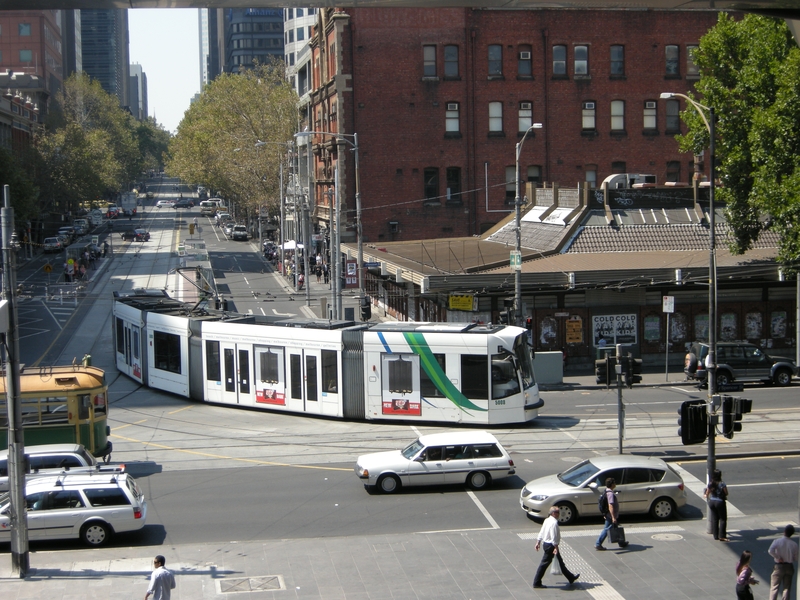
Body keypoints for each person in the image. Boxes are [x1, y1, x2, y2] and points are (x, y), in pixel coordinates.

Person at [532, 506, 580, 589]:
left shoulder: (547, 520)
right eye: (558, 512)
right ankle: (536, 582)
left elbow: (541, 531)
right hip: (551, 546)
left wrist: (538, 542)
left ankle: (570, 577)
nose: (559, 514)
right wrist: (556, 547)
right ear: (553, 513)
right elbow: (553, 536)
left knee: (560, 562)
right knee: (544, 564)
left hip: (546, 544)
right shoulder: (554, 523)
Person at [595, 477, 627, 550]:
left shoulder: (606, 491)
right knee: (607, 529)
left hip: (608, 514)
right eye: (614, 483)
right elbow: (610, 505)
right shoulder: (610, 494)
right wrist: (613, 517)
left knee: (614, 527)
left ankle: (621, 542)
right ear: (612, 484)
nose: (615, 484)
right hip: (610, 515)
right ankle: (598, 543)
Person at [768, 524, 798, 600]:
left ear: (784, 531)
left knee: (774, 586)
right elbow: (796, 557)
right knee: (787, 588)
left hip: (779, 566)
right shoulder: (794, 544)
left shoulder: (777, 541)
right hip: (789, 566)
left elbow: (770, 550)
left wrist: (778, 557)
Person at [704, 469, 729, 541]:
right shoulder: (722, 483)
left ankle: (715, 535)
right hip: (720, 502)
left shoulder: (711, 483)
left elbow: (707, 492)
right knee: (723, 519)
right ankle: (722, 535)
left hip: (712, 502)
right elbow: (726, 493)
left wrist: (706, 495)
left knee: (715, 519)